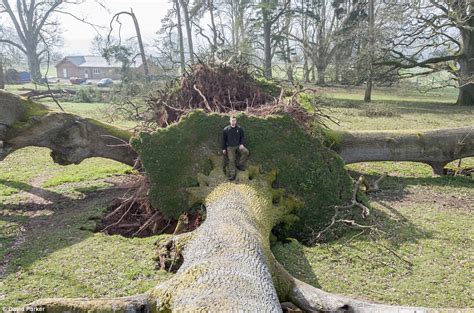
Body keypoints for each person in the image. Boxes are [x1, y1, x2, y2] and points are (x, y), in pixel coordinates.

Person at [222, 115, 250, 181]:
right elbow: (224, 140)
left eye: (234, 120)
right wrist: (224, 148)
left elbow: (242, 137)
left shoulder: (240, 129)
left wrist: (241, 144)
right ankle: (232, 175)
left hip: (238, 146)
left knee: (246, 152)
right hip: (230, 147)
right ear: (230, 121)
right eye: (232, 120)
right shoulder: (226, 129)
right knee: (231, 160)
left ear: (236, 121)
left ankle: (240, 165)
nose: (233, 122)